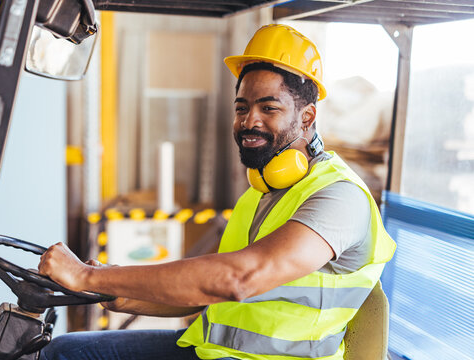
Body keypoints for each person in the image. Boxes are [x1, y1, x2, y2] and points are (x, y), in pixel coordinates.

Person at [38, 24, 396, 360]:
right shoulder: (262, 190)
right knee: (66, 352)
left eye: (268, 107)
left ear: (307, 116)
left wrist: (88, 276)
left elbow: (238, 279)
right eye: (242, 108)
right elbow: (206, 295)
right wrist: (124, 294)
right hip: (216, 352)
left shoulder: (338, 197)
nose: (249, 120)